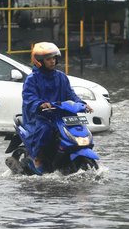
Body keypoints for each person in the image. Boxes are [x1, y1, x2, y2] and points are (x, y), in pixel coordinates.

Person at [22, 42, 92, 174]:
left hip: (61, 115)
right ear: (39, 61)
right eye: (48, 59)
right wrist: (40, 104)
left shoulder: (61, 77)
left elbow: (70, 94)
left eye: (54, 58)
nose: (52, 61)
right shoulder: (32, 79)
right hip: (40, 117)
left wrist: (82, 104)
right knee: (45, 129)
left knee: (77, 128)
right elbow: (29, 97)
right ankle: (38, 157)